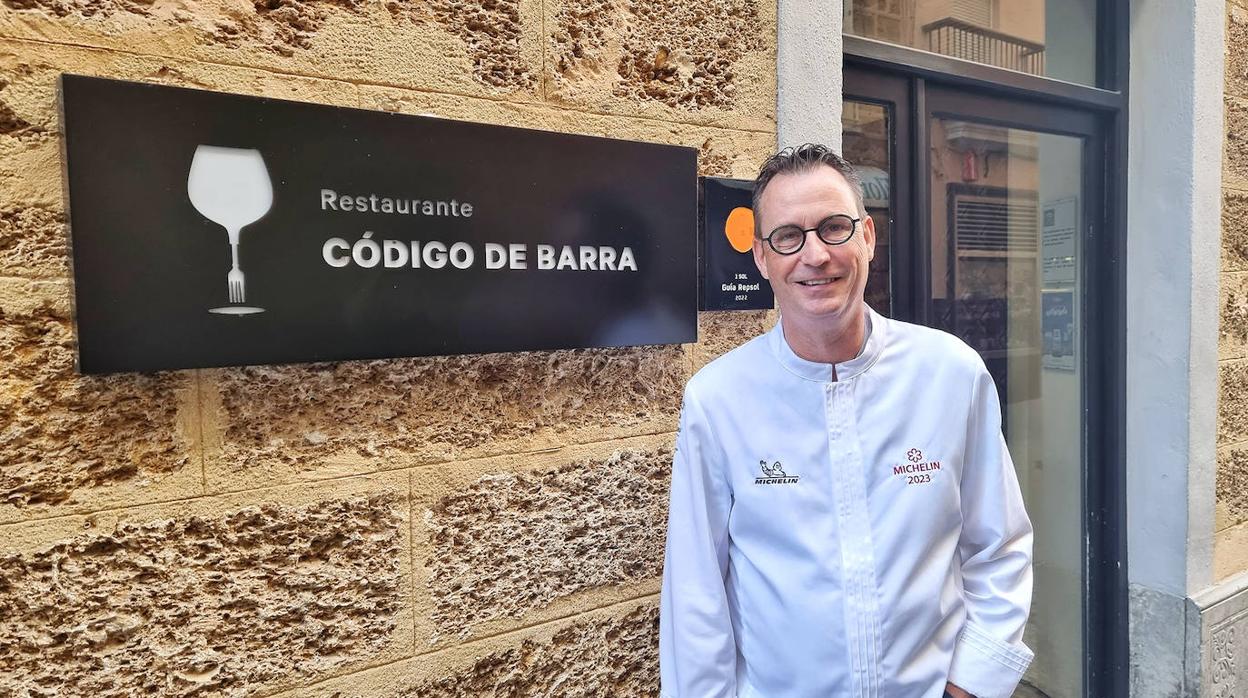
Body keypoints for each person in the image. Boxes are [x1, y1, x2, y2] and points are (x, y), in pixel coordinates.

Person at [659, 144, 1033, 698]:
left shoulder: (951, 374)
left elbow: (997, 546)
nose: (814, 255)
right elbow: (696, 593)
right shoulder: (718, 399)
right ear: (761, 258)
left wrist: (969, 686)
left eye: (834, 227)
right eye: (788, 236)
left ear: (868, 239)